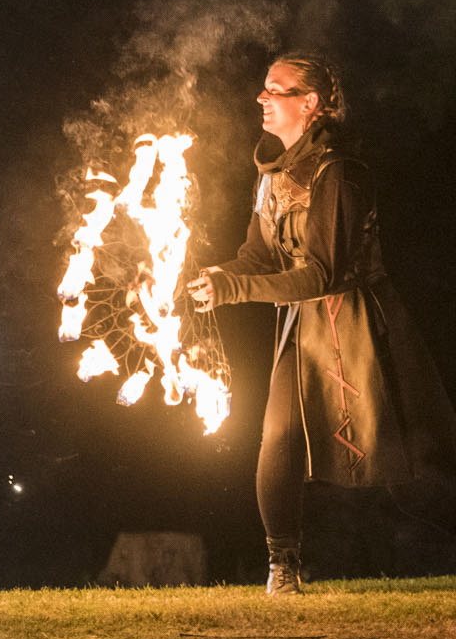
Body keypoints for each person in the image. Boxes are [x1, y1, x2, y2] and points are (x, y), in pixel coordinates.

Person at [188, 55, 456, 594]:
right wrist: (216, 276)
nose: (262, 99)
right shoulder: (272, 175)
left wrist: (233, 289)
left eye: (275, 90)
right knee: (277, 438)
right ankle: (282, 566)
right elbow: (258, 258)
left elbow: (322, 273)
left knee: (414, 463)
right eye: (263, 90)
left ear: (308, 103)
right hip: (302, 326)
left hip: (358, 327)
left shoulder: (338, 172)